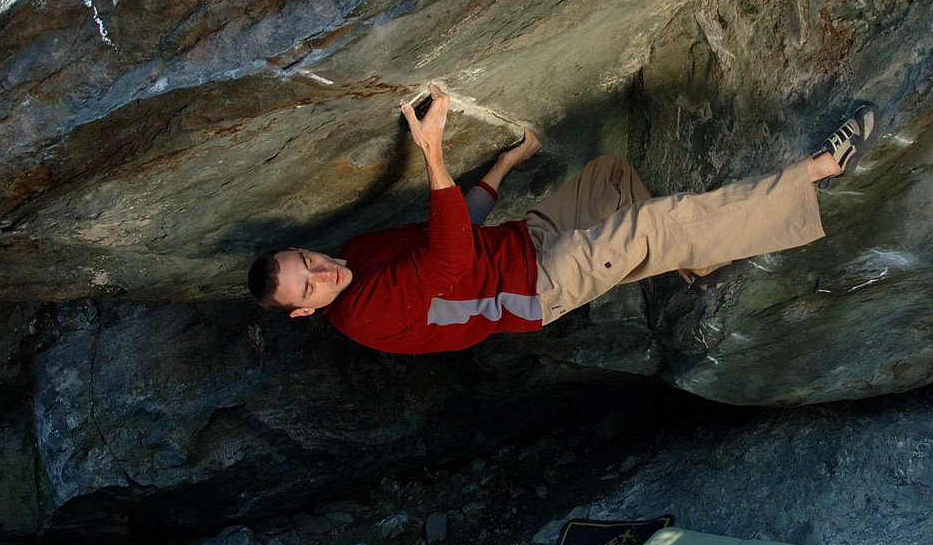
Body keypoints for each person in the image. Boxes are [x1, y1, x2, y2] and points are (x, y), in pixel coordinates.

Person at [248, 86, 877, 354]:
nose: (322, 273)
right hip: (536, 287)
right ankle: (817, 171)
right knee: (656, 224)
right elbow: (453, 259)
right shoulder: (364, 314)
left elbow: (450, 229)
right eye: (308, 287)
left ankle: (700, 263)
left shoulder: (357, 251)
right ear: (305, 312)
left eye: (308, 261)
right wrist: (433, 151)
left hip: (527, 241)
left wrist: (504, 164)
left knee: (610, 176)